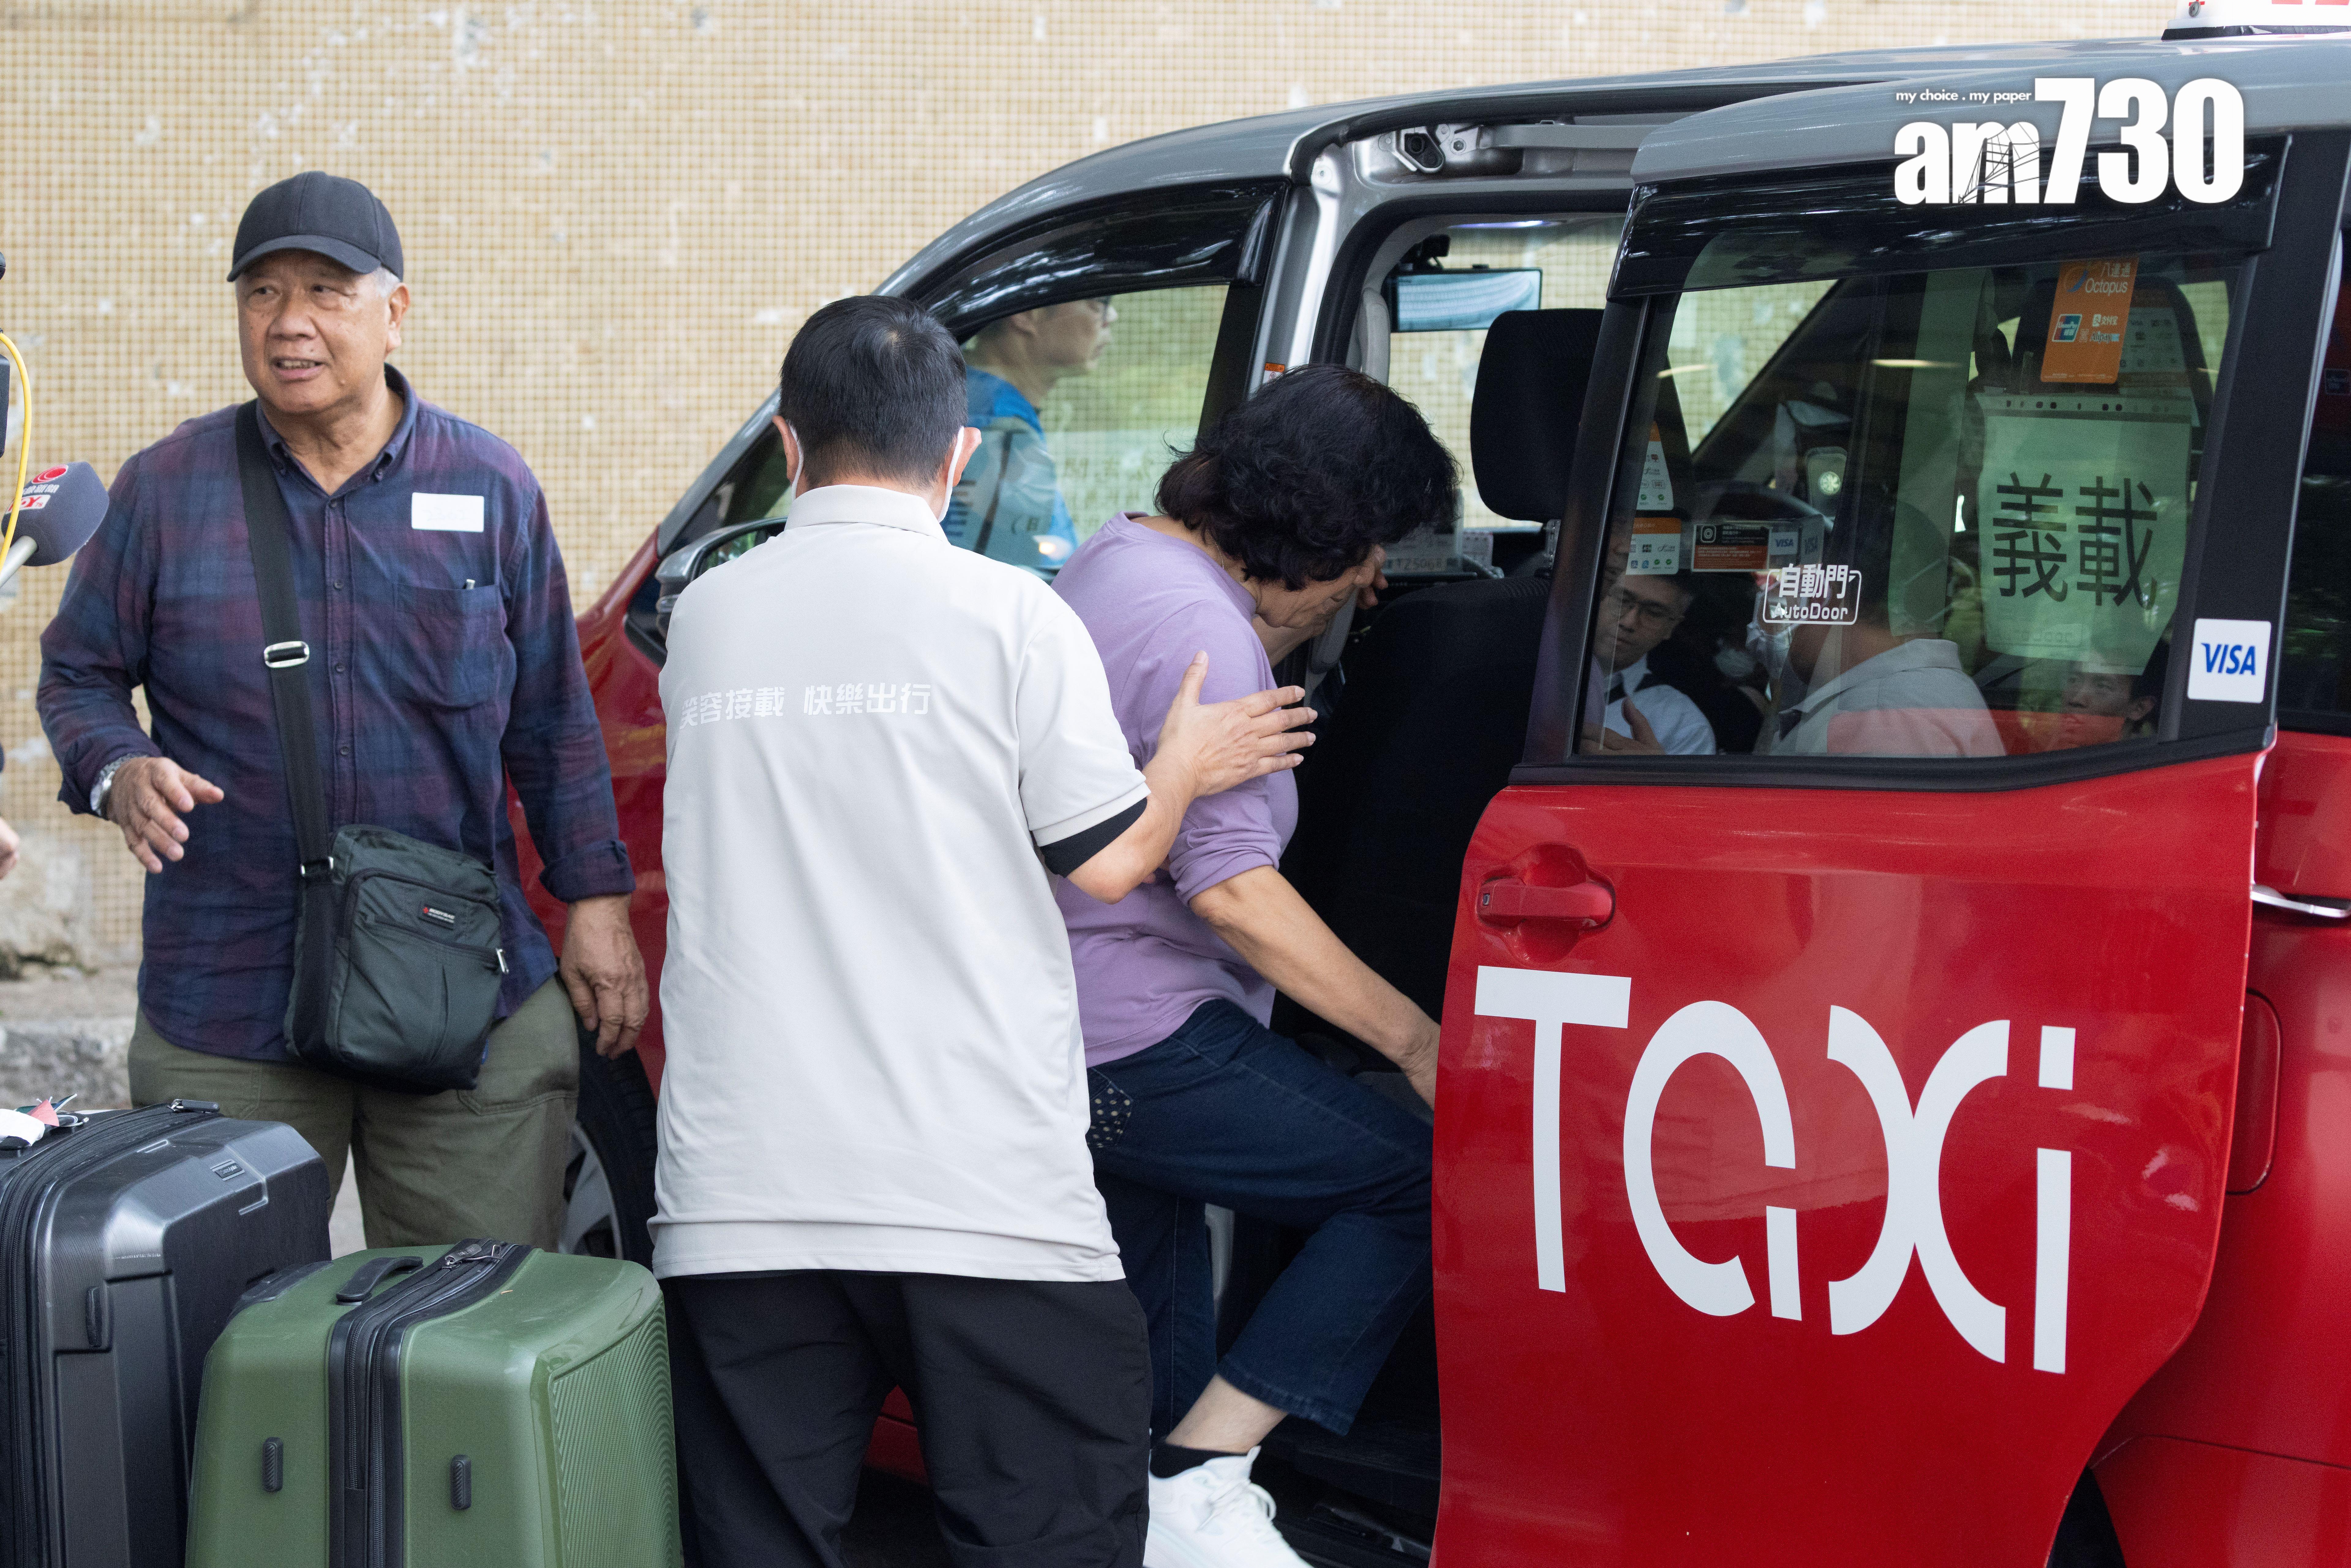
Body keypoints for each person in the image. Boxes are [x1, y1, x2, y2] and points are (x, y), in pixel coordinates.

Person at [652, 295, 1314, 1568]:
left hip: (738, 1194)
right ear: (959, 461)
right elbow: (1114, 857)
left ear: (787, 447)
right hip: (977, 1194)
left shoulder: (710, 618)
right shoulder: (1009, 618)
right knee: (1046, 1530)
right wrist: (1176, 764)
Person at [37, 171, 646, 1249]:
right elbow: (77, 672)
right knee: (211, 1343)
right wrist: (116, 767)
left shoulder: (490, 487)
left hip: (462, 982)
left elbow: (552, 714)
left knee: (467, 1326)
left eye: (325, 290)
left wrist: (595, 904)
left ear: (394, 310)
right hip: (228, 993)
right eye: (262, 294)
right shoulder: (167, 490)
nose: (290, 324)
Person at [1051, 363, 1454, 1568]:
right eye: (1368, 544)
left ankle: (1154, 1497)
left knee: (1148, 1367)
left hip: (1064, 1027)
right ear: (1322, 527)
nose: (1370, 578)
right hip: (1142, 1034)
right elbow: (1230, 891)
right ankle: (1203, 1473)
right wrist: (1416, 1039)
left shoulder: (1113, 562)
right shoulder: (1204, 638)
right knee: (1412, 1181)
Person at [943, 298, 1116, 568]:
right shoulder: (995, 428)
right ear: (1027, 315)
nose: (1112, 317)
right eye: (1098, 304)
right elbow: (1038, 566)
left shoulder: (964, 397)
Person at [1580, 568, 1719, 756]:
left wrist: (1650, 776)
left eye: (1653, 613)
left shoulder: (1684, 724)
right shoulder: (1535, 670)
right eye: (1622, 600)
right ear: (1597, 598)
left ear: (1671, 627)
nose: (1629, 622)